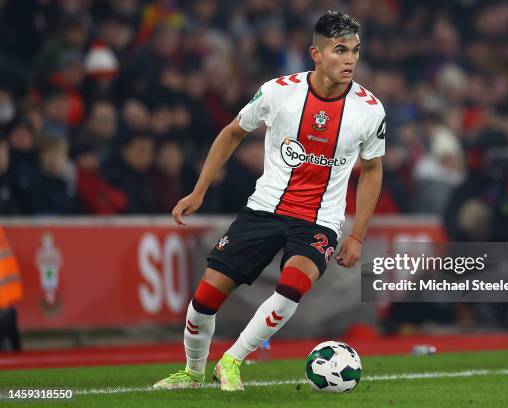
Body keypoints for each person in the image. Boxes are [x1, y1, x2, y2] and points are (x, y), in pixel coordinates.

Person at [153, 11, 386, 391]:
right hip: (265, 208)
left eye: (355, 51)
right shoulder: (279, 91)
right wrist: (199, 191)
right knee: (206, 297)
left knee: (294, 284)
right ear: (316, 53)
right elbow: (231, 133)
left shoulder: (369, 109)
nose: (350, 60)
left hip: (320, 220)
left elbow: (373, 171)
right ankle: (193, 372)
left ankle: (232, 361)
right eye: (340, 50)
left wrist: (357, 233)